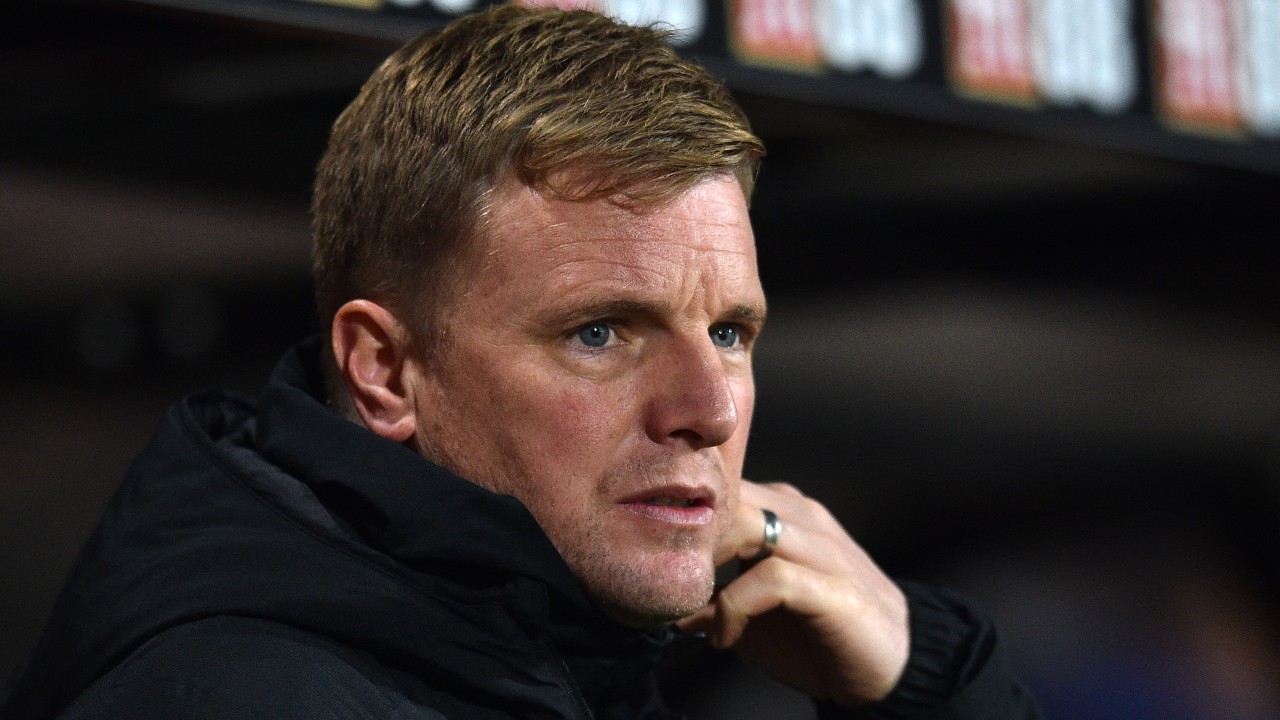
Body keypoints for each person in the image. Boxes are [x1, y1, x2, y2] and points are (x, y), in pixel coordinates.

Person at [1, 6, 1040, 719]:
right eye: (600, 333)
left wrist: (924, 682)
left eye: (729, 332)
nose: (709, 410)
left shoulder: (551, 666)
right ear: (383, 372)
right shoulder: (243, 699)